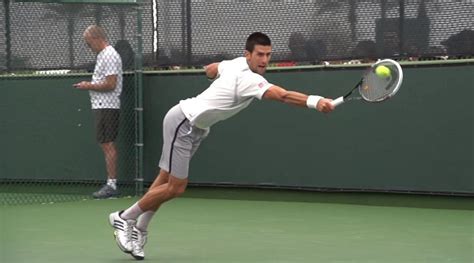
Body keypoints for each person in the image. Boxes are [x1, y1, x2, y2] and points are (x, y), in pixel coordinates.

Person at [108, 32, 334, 260]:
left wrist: (213, 78)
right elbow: (283, 96)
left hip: (196, 127)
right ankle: (125, 217)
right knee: (176, 187)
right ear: (248, 54)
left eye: (268, 54)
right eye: (260, 55)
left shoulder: (234, 63)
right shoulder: (248, 79)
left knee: (165, 179)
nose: (265, 60)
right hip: (183, 121)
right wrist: (316, 102)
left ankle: (141, 228)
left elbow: (212, 68)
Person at [74, 25, 123, 199]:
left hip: (107, 105)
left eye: (89, 43)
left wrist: (88, 85)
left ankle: (112, 185)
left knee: (107, 143)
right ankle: (111, 184)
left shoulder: (109, 55)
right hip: (100, 105)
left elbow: (111, 84)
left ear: (97, 38)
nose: (89, 47)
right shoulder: (103, 55)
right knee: (105, 143)